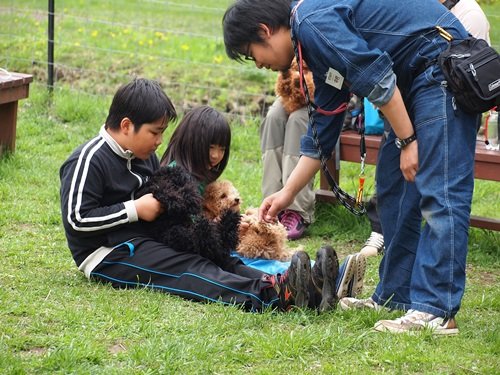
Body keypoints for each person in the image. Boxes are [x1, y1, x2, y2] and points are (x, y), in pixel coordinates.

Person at [223, 0, 478, 334]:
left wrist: (407, 141)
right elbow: (322, 133)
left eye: (250, 52)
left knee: (439, 190)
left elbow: (376, 76)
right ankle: (395, 296)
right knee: (393, 188)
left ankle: (437, 309)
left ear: (264, 31)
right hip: (411, 81)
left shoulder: (312, 21)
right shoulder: (311, 45)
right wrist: (285, 195)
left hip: (439, 67)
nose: (258, 64)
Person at [59, 79, 340, 313]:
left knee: (219, 257)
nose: (159, 141)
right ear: (125, 125)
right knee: (190, 267)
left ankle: (299, 284)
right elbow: (76, 219)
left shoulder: (144, 155)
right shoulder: (89, 159)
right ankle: (274, 296)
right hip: (108, 253)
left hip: (145, 239)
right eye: (154, 133)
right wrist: (134, 209)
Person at [361, 0, 492, 258]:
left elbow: (466, 76)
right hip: (403, 106)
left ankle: (431, 286)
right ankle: (384, 242)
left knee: (439, 199)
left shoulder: (469, 13)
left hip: (448, 109)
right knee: (391, 186)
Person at [261, 61, 315, 240]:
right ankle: (272, 204)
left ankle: (296, 209)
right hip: (293, 88)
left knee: (298, 121)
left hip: (324, 94)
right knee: (273, 117)